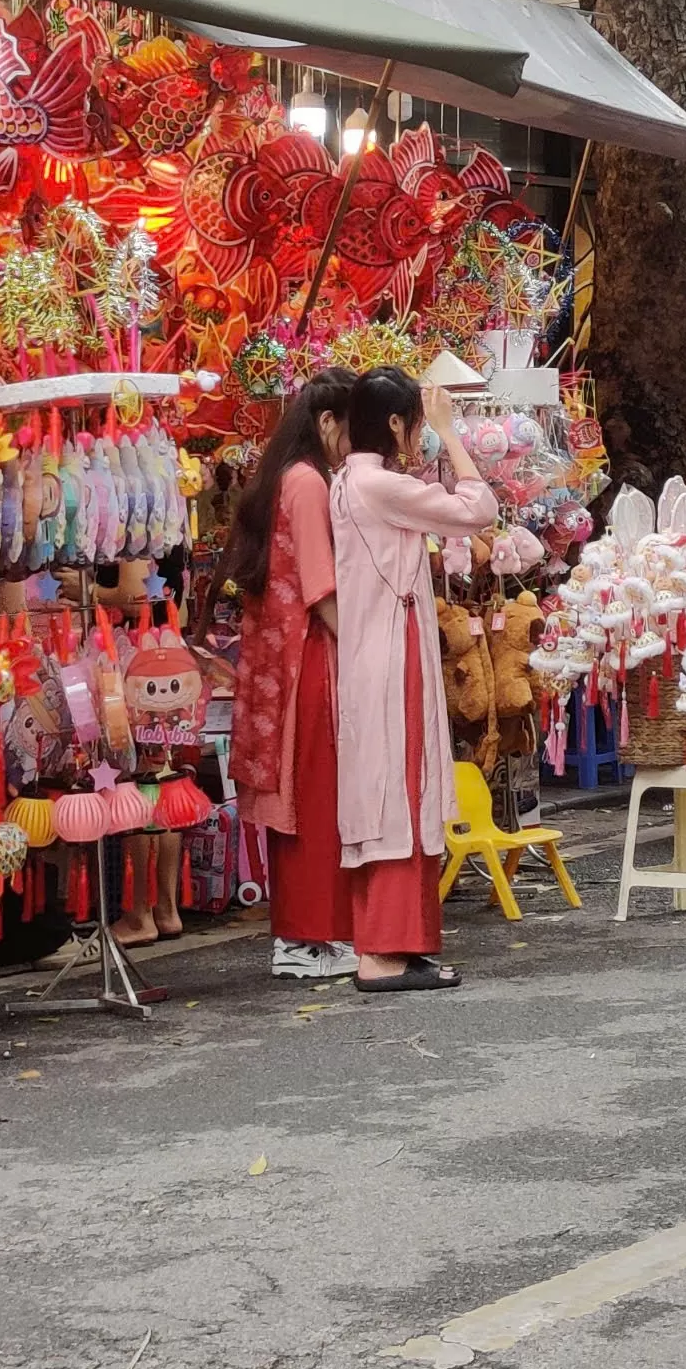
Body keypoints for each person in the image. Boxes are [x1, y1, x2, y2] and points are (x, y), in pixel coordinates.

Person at [333, 368, 497, 992]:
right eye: (419, 423)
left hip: (375, 647)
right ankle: (381, 951)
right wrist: (455, 436)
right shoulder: (380, 484)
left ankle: (401, 943)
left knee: (394, 789)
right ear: (398, 424)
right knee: (400, 792)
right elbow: (478, 509)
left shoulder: (347, 479)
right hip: (391, 650)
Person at [221, 368, 360, 981]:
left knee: (299, 800)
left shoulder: (284, 477)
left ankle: (304, 936)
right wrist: (365, 640)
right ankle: (310, 935)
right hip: (308, 662)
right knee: (314, 799)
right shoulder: (308, 483)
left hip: (281, 661)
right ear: (328, 424)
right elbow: (320, 586)